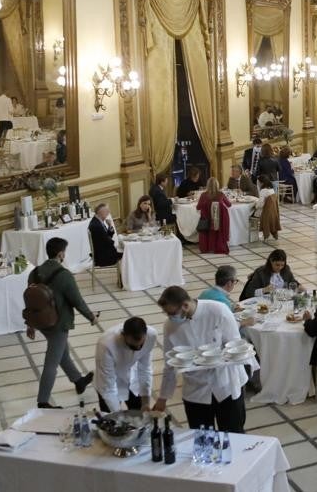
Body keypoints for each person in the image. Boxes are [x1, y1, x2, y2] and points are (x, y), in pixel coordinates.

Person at [153, 286, 247, 432]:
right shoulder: (170, 326)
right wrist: (162, 398)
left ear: (185, 305)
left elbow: (235, 344)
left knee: (234, 434)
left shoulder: (218, 310)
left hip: (226, 383)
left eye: (172, 313)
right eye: (167, 314)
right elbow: (170, 363)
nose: (170, 317)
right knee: (202, 439)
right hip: (196, 389)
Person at [26, 239, 96, 409]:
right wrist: (91, 317)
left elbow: (31, 301)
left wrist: (30, 324)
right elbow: (77, 301)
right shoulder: (64, 275)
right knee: (51, 363)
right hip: (58, 324)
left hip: (42, 322)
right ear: (60, 254)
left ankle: (78, 380)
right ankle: (43, 401)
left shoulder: (34, 273)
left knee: (61, 353)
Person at [94, 317, 156, 413]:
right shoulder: (106, 345)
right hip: (108, 381)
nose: (138, 348)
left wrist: (146, 403)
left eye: (141, 345)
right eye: (132, 346)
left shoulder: (151, 335)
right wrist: (119, 417)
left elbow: (145, 369)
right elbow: (109, 389)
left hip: (132, 377)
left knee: (139, 414)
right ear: (123, 335)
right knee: (111, 419)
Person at [198, 178, 232, 254]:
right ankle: (218, 246)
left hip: (207, 221)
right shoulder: (221, 194)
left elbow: (198, 207)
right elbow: (229, 205)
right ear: (217, 185)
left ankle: (207, 247)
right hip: (218, 222)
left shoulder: (203, 195)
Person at [89, 203, 123, 268]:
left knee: (123, 250)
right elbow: (108, 241)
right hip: (103, 258)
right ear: (101, 212)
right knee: (126, 253)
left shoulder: (98, 221)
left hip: (103, 252)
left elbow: (108, 237)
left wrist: (110, 225)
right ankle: (125, 275)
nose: (108, 213)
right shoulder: (96, 226)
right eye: (107, 211)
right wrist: (116, 246)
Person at [255, 174, 281, 241]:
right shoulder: (272, 190)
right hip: (273, 212)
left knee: (248, 214)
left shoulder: (263, 191)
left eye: (258, 182)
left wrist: (255, 205)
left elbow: (260, 204)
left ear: (262, 183)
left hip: (265, 213)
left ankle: (252, 235)